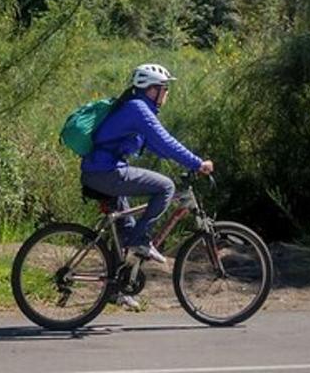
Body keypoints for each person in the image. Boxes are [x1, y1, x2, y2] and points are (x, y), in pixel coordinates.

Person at [81, 63, 214, 268]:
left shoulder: (135, 106)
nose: (167, 94)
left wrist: (186, 162)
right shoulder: (138, 109)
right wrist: (198, 163)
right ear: (152, 89)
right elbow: (166, 143)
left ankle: (117, 289)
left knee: (125, 228)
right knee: (166, 187)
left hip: (101, 171)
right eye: (165, 88)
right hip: (106, 172)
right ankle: (140, 240)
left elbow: (158, 148)